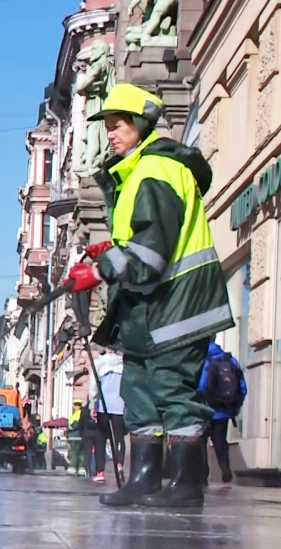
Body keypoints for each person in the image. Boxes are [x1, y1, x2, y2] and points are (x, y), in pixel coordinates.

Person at [65, 82, 233, 509]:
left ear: (140, 124)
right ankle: (145, 477)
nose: (112, 135)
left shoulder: (155, 171)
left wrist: (100, 268)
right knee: (139, 388)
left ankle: (185, 483)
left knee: (171, 388)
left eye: (118, 125)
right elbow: (142, 241)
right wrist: (110, 251)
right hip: (152, 307)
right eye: (107, 127)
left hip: (177, 303)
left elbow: (151, 252)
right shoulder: (139, 171)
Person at [198, 341, 247, 484]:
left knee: (201, 442)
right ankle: (225, 468)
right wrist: (236, 405)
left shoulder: (202, 359)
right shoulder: (231, 360)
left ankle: (202, 474)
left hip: (204, 409)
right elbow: (242, 387)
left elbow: (200, 386)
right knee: (220, 441)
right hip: (224, 411)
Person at [88, 346, 126, 483]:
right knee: (118, 437)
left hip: (103, 407)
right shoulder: (123, 364)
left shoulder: (98, 363)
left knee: (100, 439)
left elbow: (93, 388)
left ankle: (100, 471)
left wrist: (92, 404)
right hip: (120, 406)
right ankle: (120, 463)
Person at [65, 399, 85, 476]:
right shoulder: (80, 413)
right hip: (81, 438)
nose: (76, 406)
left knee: (74, 453)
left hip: (75, 438)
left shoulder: (76, 414)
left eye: (77, 405)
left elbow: (75, 425)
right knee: (81, 454)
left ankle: (72, 469)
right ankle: (81, 470)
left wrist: (69, 427)